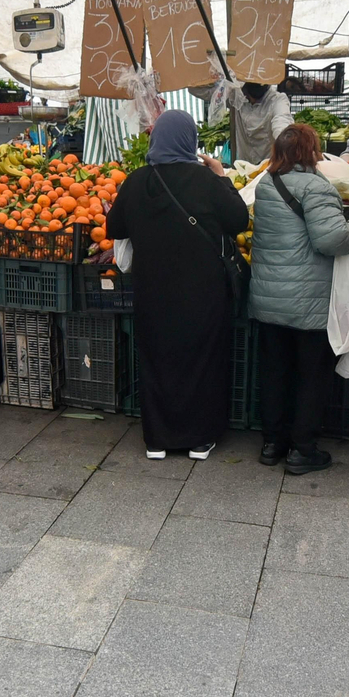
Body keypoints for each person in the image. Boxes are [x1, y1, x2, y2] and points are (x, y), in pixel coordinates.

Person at [107, 109, 249, 460]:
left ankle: (157, 439)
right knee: (202, 359)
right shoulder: (204, 180)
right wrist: (221, 177)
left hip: (152, 289)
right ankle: (199, 439)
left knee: (157, 359)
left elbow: (114, 228)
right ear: (190, 140)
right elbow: (239, 220)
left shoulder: (137, 180)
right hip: (202, 291)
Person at [249, 123, 349, 474]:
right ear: (312, 151)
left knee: (274, 372)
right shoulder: (317, 187)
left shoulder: (266, 184)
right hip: (309, 303)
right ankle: (302, 449)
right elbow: (330, 241)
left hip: (269, 300)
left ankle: (272, 444)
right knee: (311, 375)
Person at [192, 79, 294, 164]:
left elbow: (282, 123)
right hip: (243, 165)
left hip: (269, 165)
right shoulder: (237, 96)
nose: (251, 101)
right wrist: (215, 79)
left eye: (255, 99)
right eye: (249, 98)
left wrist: (287, 143)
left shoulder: (278, 100)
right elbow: (197, 91)